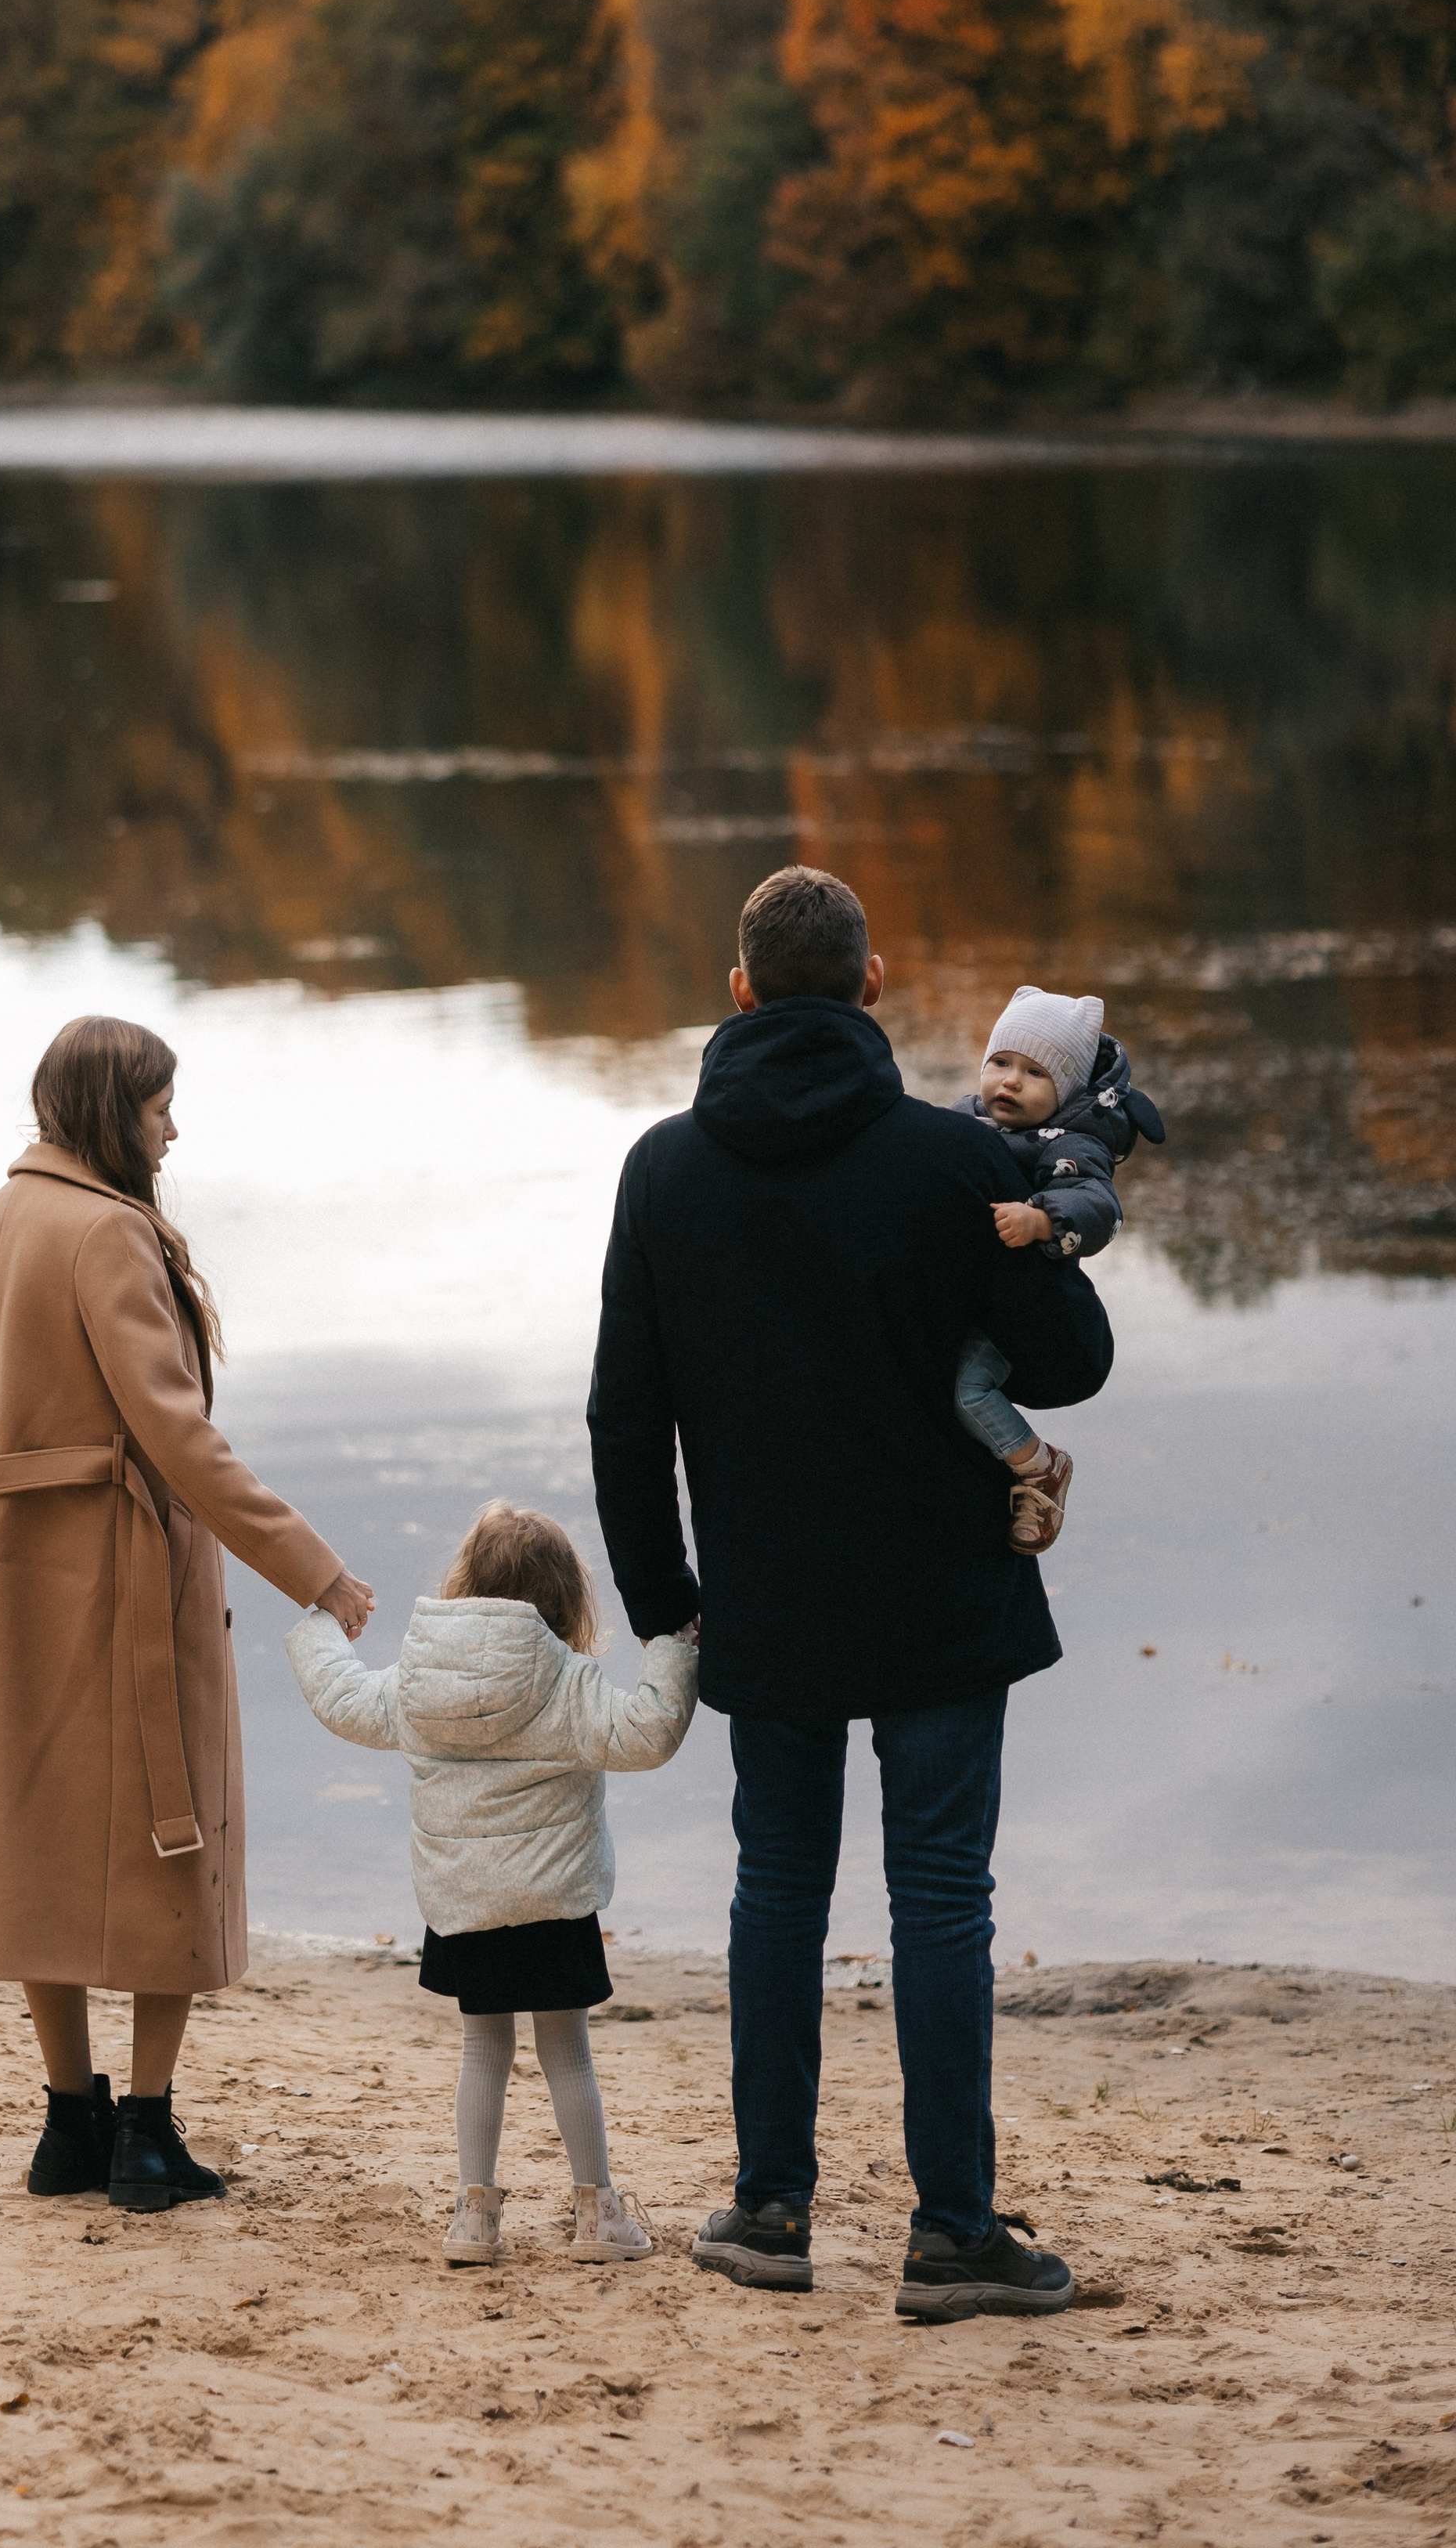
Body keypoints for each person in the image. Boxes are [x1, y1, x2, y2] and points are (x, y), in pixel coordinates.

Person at [586, 867, 1113, 2324]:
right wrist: (1046, 1211)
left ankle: (769, 2210)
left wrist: (664, 1600)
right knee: (943, 1896)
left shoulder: (665, 1169)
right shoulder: (954, 1165)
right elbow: (1066, 1367)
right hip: (943, 1593)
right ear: (872, 985)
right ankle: (951, 2233)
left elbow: (624, 1416)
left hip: (770, 1595)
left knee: (779, 1889)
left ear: (741, 989)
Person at [0, 1014, 374, 2214]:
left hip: (30, 1574)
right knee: (177, 1833)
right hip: (135, 1573)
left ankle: (68, 2124)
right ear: (112, 1110)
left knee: (45, 1836)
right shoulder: (111, 1233)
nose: (176, 1126)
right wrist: (316, 1571)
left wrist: (31, 1510)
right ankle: (147, 2137)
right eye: (162, 1104)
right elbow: (177, 1436)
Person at [284, 1500, 697, 2266]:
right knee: (565, 2050)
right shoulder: (569, 1686)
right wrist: (673, 1644)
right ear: (569, 1600)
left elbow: (342, 1699)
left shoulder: (417, 1683)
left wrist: (318, 1626)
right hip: (552, 1903)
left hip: (463, 1905)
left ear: (463, 1584)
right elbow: (648, 1733)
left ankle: (474, 2217)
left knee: (484, 2051)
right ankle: (596, 2213)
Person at [950, 985, 1165, 1549]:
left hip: (1015, 1314)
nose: (1010, 1081)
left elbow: (1098, 1205)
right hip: (963, 1299)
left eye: (1034, 1073)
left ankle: (1040, 1464)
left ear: (1065, 1088)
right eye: (1000, 1063)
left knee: (967, 1391)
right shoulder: (962, 1120)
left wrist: (1043, 1219)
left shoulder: (1070, 1143)